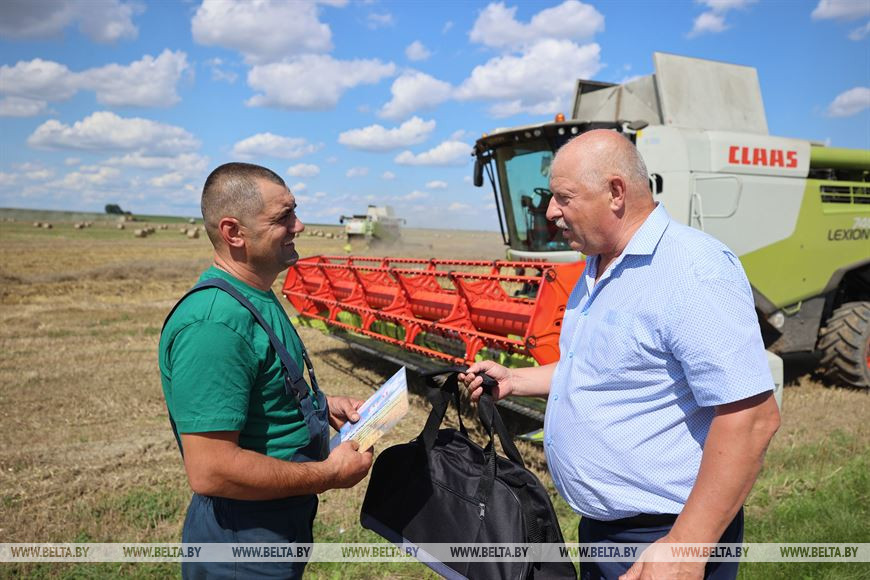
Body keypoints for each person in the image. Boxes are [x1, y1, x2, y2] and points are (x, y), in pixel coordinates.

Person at [460, 130, 780, 580]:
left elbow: (751, 418)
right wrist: (517, 380)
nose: (551, 211)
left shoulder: (692, 268)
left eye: (563, 197)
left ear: (615, 192)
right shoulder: (597, 265)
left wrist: (686, 548)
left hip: (664, 534)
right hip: (602, 531)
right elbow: (595, 367)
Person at [158, 162, 373, 579]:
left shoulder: (255, 293)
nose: (300, 225)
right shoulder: (214, 325)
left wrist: (320, 405)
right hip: (241, 545)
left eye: (295, 211)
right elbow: (211, 470)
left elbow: (263, 385)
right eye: (283, 217)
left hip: (273, 530)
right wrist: (327, 474)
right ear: (233, 232)